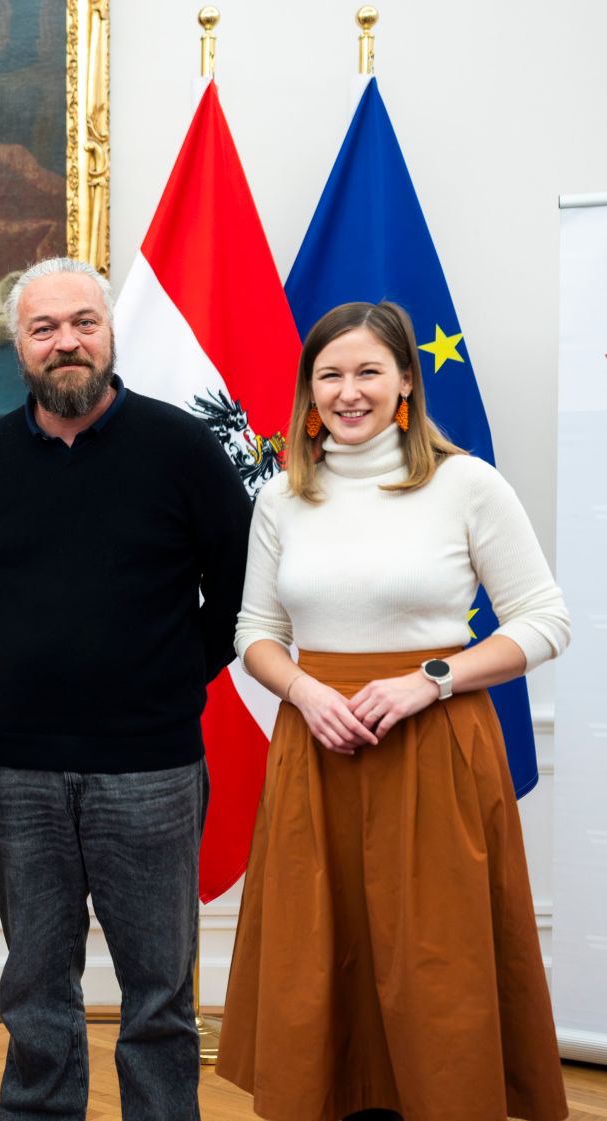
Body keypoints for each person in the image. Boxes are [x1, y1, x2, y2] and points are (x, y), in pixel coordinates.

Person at [216, 301, 571, 1121]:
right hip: (318, 750)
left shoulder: (466, 484)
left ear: (406, 379)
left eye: (369, 371)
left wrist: (430, 679)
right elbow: (255, 631)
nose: (349, 391)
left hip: (435, 748)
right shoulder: (281, 497)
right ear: (308, 389)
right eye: (330, 374)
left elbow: (545, 620)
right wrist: (305, 691)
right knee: (319, 963)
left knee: (436, 965)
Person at [0, 256, 252, 1120]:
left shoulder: (182, 448)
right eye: (44, 328)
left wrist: (170, 676)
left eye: (83, 322)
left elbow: (241, 590)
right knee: (36, 987)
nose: (66, 341)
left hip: (152, 765)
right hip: (22, 769)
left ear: (110, 332)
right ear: (19, 347)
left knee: (159, 993)